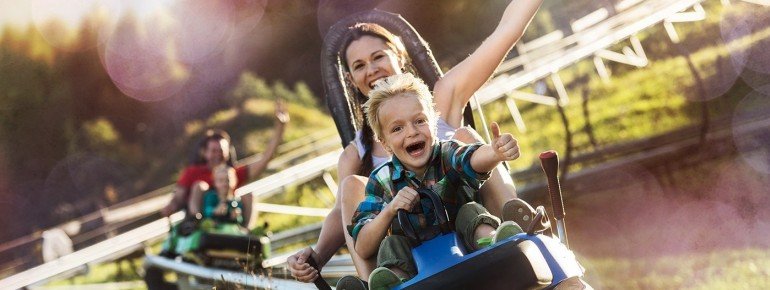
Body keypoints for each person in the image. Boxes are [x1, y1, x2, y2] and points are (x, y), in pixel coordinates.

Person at [289, 0, 543, 283]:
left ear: (398, 54)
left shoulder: (440, 100)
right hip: (409, 249)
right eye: (360, 65)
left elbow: (507, 31)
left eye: (378, 57)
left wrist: (494, 153)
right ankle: (379, 282)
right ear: (350, 79)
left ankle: (515, 233)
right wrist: (315, 256)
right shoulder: (355, 155)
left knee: (464, 138)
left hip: (469, 215)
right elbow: (343, 216)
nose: (371, 69)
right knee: (351, 186)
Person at [352, 73, 523, 289]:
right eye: (397, 128)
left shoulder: (446, 153)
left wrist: (495, 153)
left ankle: (495, 242)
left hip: (468, 249)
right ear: (385, 144)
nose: (412, 132)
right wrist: (389, 210)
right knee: (391, 243)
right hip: (418, 271)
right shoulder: (381, 180)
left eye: (420, 121)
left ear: (433, 124)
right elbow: (363, 247)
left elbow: (470, 159)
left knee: (471, 210)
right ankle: (393, 281)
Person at [160, 99, 289, 228]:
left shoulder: (233, 173)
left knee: (249, 195)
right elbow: (178, 196)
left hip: (228, 218)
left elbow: (265, 158)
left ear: (228, 153)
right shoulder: (193, 172)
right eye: (213, 151)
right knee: (200, 186)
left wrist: (280, 128)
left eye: (221, 151)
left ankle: (246, 232)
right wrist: (171, 205)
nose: (217, 155)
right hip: (202, 219)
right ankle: (198, 223)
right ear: (205, 153)